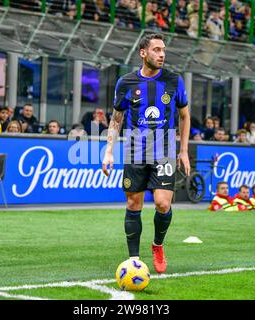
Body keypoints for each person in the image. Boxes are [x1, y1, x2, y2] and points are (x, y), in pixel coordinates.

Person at [102, 33, 191, 274]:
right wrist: (109, 151)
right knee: (133, 203)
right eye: (156, 50)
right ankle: (134, 261)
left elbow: (184, 115)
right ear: (143, 53)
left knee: (162, 204)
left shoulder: (173, 80)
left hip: (164, 151)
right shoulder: (126, 82)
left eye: (163, 50)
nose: (162, 54)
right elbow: (116, 118)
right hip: (135, 151)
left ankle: (158, 245)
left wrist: (183, 150)